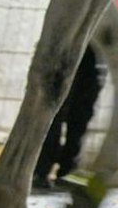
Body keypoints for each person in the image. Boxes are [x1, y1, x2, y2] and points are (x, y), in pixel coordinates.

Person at [32, 43, 103, 192]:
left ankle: (57, 169)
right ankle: (49, 169)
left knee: (73, 120)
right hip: (70, 58)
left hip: (84, 60)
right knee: (58, 119)